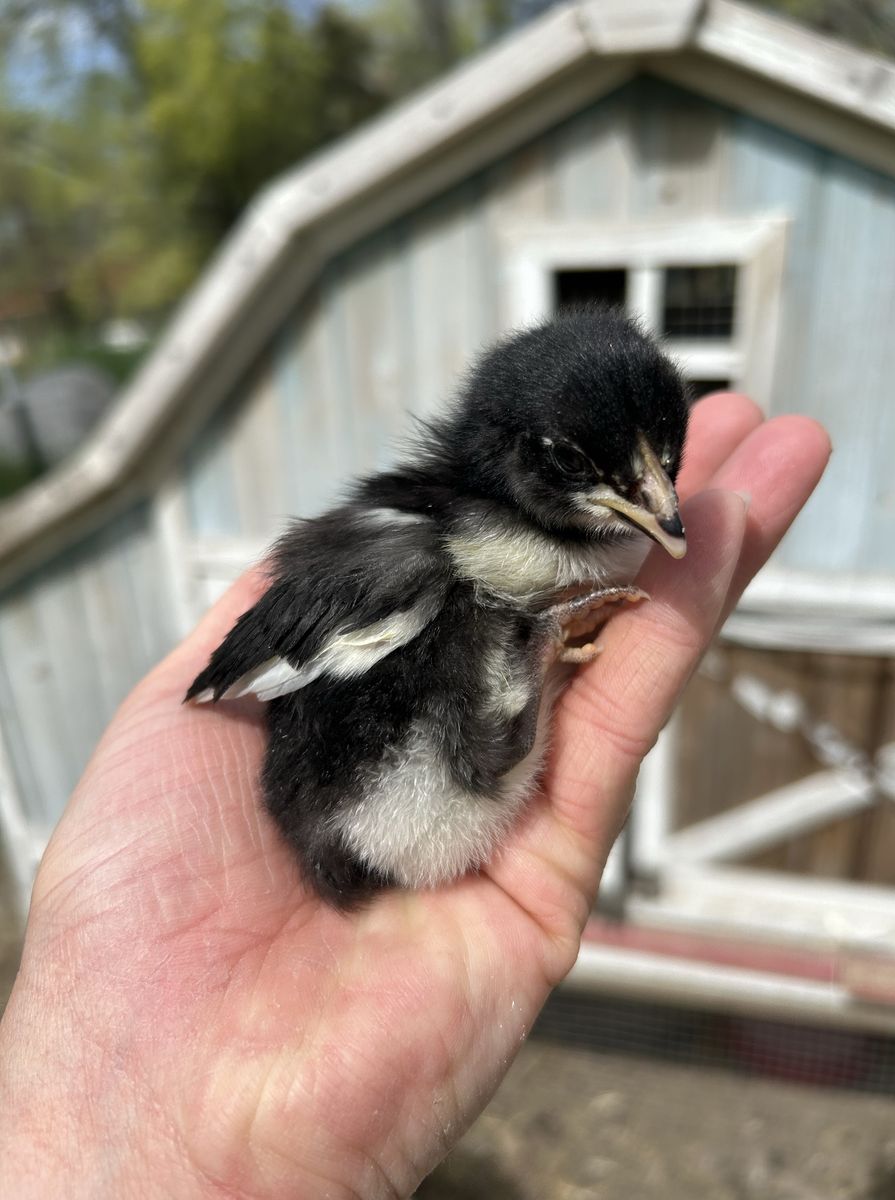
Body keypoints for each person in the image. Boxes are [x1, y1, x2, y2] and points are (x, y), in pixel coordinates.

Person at [0, 394, 829, 1199]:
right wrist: (532, 640)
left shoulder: (444, 540)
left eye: (662, 468)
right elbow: (241, 670)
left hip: (374, 814)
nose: (662, 506)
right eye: (591, 467)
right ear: (517, 454)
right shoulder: (414, 552)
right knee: (478, 652)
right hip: (382, 817)